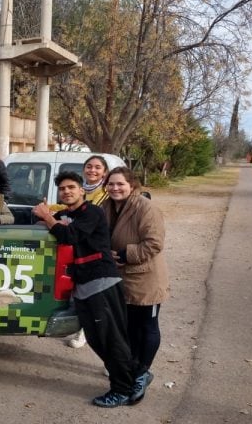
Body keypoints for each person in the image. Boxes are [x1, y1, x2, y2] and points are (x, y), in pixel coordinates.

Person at [32, 171, 150, 408]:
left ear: (82, 190)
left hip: (102, 282)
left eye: (71, 187)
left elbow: (69, 235)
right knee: (97, 340)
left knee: (111, 339)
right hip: (83, 286)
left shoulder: (92, 213)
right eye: (63, 188)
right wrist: (44, 218)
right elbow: (48, 223)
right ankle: (137, 374)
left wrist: (47, 217)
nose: (67, 191)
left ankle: (122, 389)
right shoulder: (67, 214)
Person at [103, 166, 167, 388]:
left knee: (147, 326)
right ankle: (132, 365)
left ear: (132, 186)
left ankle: (142, 371)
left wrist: (124, 254)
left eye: (120, 184)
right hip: (121, 279)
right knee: (128, 326)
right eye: (111, 184)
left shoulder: (145, 208)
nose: (115, 188)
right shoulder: (107, 206)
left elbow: (154, 243)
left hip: (145, 279)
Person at [59, 155, 111, 348]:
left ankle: (119, 363)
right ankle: (84, 329)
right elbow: (68, 210)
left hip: (100, 250)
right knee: (83, 298)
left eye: (98, 167)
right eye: (89, 166)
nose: (92, 170)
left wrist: (50, 218)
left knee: (103, 309)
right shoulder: (81, 194)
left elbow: (81, 219)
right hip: (83, 253)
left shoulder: (105, 193)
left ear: (104, 172)